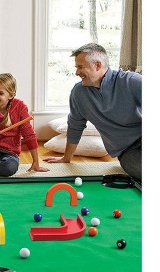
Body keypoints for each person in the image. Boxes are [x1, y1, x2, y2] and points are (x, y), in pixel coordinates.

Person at [44, 43, 142, 181]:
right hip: (128, 152)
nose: (76, 72)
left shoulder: (131, 81)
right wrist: (66, 158)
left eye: (80, 67)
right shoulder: (78, 93)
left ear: (97, 65)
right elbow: (75, 126)